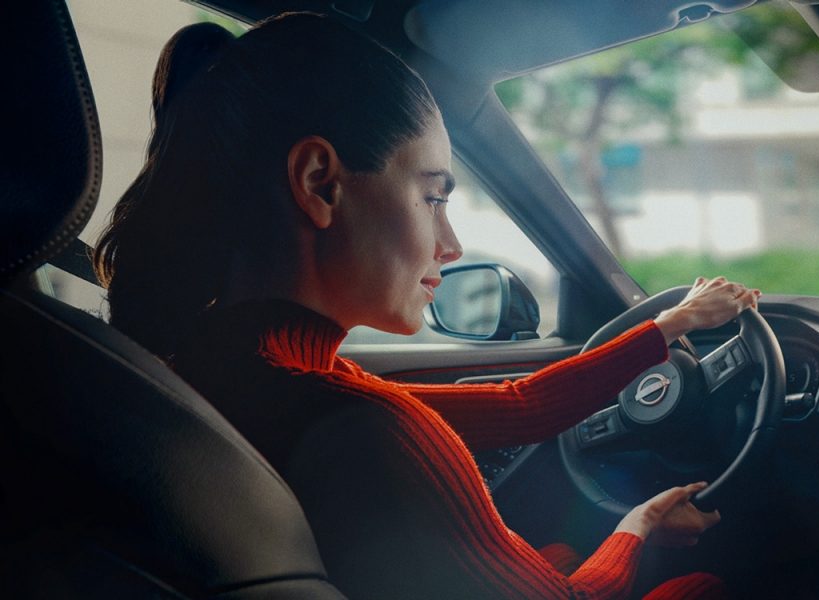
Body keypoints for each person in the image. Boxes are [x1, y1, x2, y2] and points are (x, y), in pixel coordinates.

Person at [94, 15, 760, 599]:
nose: (451, 244)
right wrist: (638, 527)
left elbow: (520, 406)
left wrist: (670, 324)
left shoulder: (212, 370)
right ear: (321, 184)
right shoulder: (366, 430)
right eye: (433, 197)